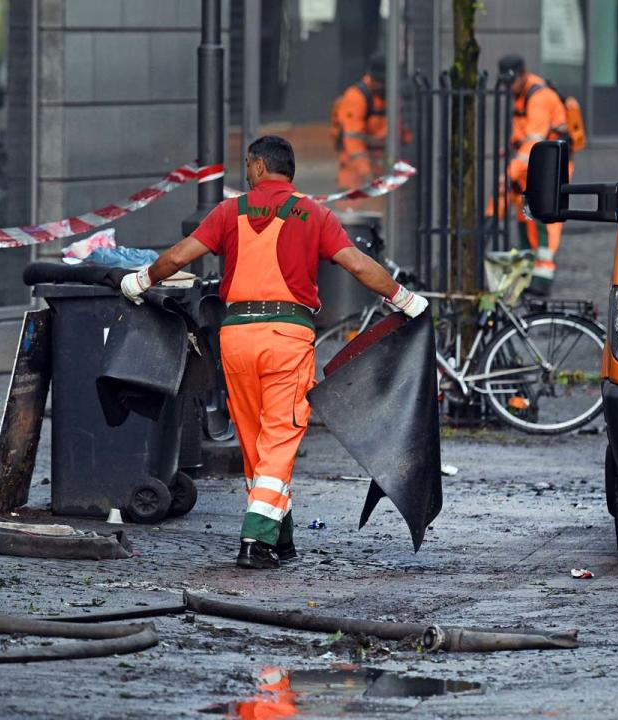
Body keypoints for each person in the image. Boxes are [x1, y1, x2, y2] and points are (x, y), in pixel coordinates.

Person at [120, 135, 427, 570]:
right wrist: (404, 299)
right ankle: (255, 540)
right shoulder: (314, 214)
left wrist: (140, 282)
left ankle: (280, 539)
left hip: (236, 338)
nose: (247, 173)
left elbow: (180, 256)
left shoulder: (229, 212)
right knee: (280, 438)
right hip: (286, 337)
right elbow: (358, 264)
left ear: (260, 166)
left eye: (248, 166)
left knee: (256, 442)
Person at [499, 55, 574, 296]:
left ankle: (542, 276)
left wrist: (510, 171)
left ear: (522, 75)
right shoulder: (522, 95)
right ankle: (530, 273)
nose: (509, 88)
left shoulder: (539, 97)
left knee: (545, 219)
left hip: (551, 165)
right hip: (533, 165)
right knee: (526, 218)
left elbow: (533, 142)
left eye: (512, 82)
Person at [333, 54, 411, 189]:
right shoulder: (356, 97)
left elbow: (404, 134)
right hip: (356, 174)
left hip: (383, 171)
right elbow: (353, 142)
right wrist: (366, 172)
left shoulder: (392, 97)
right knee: (353, 208)